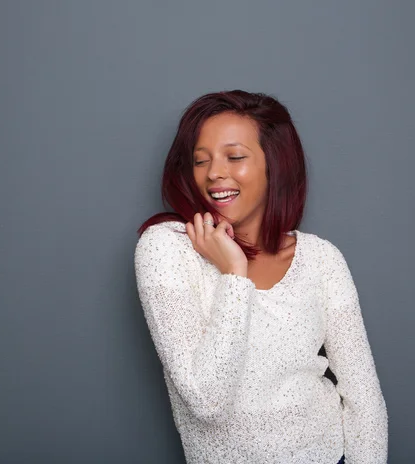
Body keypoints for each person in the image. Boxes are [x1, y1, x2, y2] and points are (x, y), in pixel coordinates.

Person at [134, 90, 388, 464]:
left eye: (234, 157)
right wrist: (235, 275)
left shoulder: (321, 258)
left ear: (275, 165)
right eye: (200, 160)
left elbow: (363, 394)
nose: (214, 173)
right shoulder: (166, 248)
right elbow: (206, 399)